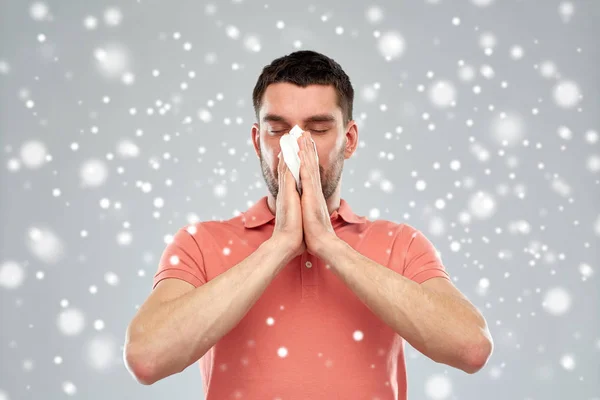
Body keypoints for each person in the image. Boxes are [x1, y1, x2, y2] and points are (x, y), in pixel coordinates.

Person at [124, 50, 493, 399]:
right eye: (278, 129)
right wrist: (280, 244)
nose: (296, 146)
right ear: (257, 141)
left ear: (348, 140)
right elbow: (147, 358)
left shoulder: (400, 243)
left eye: (317, 129)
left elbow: (470, 348)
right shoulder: (201, 243)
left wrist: (328, 244)